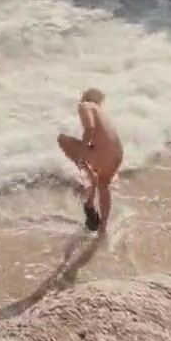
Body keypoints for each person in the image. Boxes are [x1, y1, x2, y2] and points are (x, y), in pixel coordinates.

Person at [57, 88, 123, 233]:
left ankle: (90, 180)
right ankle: (103, 228)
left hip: (102, 155)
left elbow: (89, 128)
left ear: (86, 96)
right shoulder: (101, 112)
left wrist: (81, 155)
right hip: (117, 155)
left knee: (62, 139)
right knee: (103, 185)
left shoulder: (85, 105)